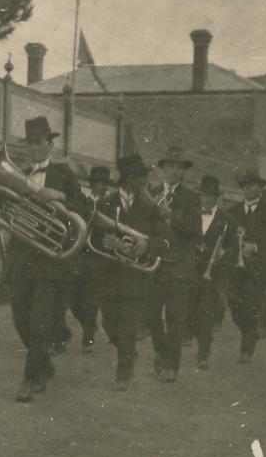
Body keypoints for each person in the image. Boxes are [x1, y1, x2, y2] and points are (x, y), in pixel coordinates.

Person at [0, 117, 89, 403]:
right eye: (30, 144)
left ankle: (29, 378)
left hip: (50, 258)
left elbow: (84, 207)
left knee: (38, 322)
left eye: (40, 143)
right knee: (20, 318)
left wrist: (60, 196)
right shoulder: (18, 173)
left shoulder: (63, 174)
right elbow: (2, 206)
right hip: (22, 256)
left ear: (50, 144)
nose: (35, 148)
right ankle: (44, 366)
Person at [98, 154, 163, 390]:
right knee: (109, 325)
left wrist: (147, 245)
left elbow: (164, 241)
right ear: (128, 179)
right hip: (110, 274)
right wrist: (104, 240)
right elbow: (93, 234)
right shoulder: (106, 203)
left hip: (136, 276)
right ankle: (127, 350)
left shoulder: (150, 207)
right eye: (140, 176)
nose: (144, 180)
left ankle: (124, 372)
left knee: (127, 325)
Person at [147, 148, 201, 382]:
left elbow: (196, 231)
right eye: (170, 166)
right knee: (149, 315)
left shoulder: (192, 198)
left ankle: (172, 366)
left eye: (179, 167)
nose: (174, 171)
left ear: (184, 172)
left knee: (175, 318)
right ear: (163, 169)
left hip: (179, 267)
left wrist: (171, 216)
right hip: (154, 266)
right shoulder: (152, 193)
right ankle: (161, 350)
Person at [227, 170, 266, 363]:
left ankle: (246, 349)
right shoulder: (233, 212)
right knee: (234, 307)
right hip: (235, 268)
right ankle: (253, 329)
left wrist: (255, 247)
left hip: (257, 269)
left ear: (259, 188)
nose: (249, 189)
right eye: (245, 185)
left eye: (252, 185)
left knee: (248, 307)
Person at [66, 165, 112, 354]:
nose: (99, 186)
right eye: (96, 183)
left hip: (98, 255)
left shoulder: (110, 205)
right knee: (73, 297)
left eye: (102, 183)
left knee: (91, 299)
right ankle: (89, 325)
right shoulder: (82, 201)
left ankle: (88, 338)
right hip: (79, 252)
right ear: (92, 184)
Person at [190, 173, 231, 370]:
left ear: (217, 198)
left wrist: (224, 252)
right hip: (191, 271)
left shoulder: (226, 219)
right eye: (204, 195)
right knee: (190, 310)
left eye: (210, 196)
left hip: (213, 274)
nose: (206, 199)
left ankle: (203, 353)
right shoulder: (191, 214)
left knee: (205, 313)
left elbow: (234, 246)